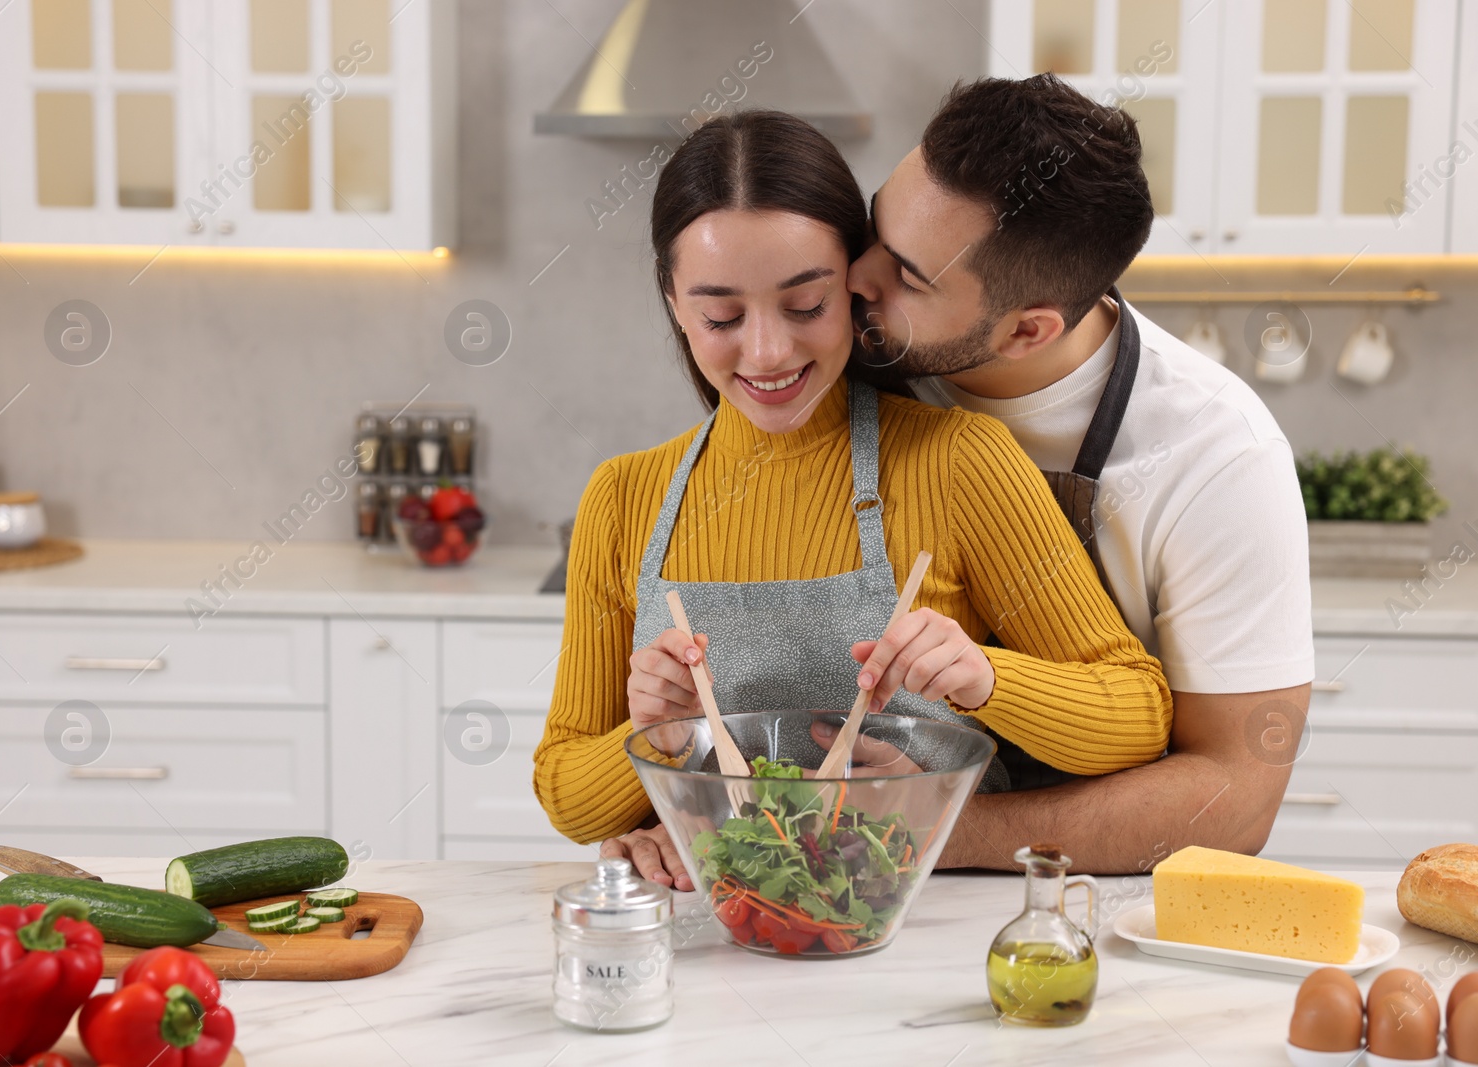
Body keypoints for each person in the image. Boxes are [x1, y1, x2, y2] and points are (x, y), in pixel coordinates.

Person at [534, 109, 1174, 890]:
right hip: (721, 936)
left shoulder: (960, 461)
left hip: (928, 937)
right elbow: (566, 794)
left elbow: (1139, 712)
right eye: (721, 315)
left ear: (858, 286)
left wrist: (989, 680)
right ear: (673, 300)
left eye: (807, 305)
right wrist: (650, 739)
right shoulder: (624, 497)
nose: (768, 352)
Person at [840, 75, 1315, 873]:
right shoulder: (852, 357)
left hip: (1076, 897)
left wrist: (932, 830)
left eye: (908, 277)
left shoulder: (1220, 457)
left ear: (1028, 329)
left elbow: (1234, 797)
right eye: (875, 226)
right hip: (828, 862)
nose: (855, 277)